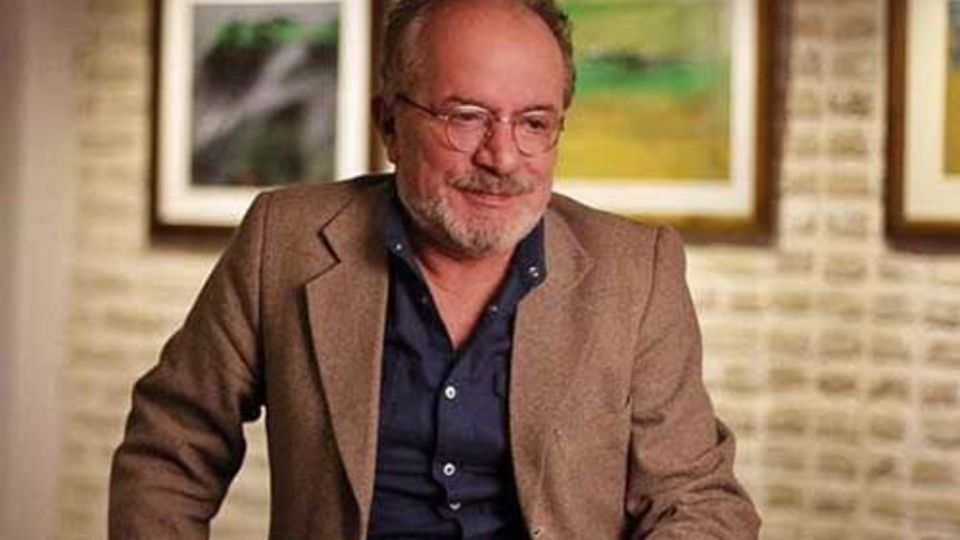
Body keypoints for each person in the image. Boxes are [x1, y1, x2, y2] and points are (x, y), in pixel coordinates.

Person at [109, 0, 761, 538]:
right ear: (389, 125)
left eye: (534, 123)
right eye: (466, 117)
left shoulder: (636, 273)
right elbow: (171, 447)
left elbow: (699, 502)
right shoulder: (284, 241)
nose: (502, 157)